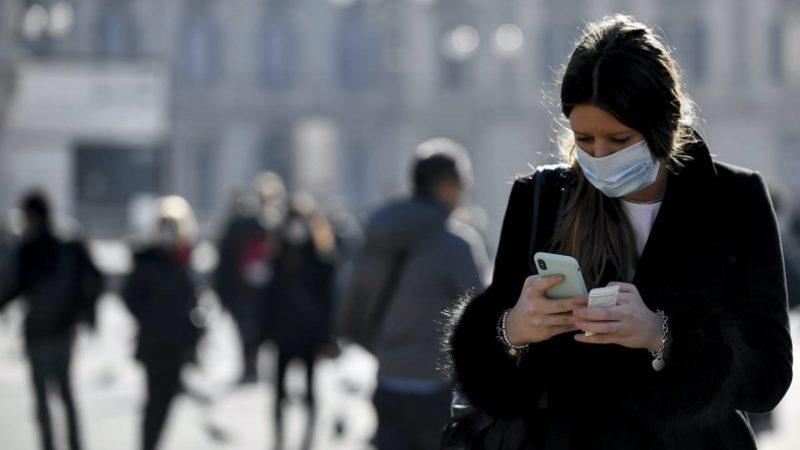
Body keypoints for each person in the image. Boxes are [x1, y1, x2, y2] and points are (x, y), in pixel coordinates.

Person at [446, 14, 792, 450]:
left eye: (620, 139)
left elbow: (768, 379)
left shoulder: (735, 199)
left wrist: (662, 335)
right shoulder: (541, 198)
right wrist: (511, 329)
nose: (599, 156)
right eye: (584, 139)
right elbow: (489, 379)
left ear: (662, 126)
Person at [338, 138, 490, 450]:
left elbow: (352, 304)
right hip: (435, 387)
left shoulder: (378, 233)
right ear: (446, 187)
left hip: (387, 380)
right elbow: (482, 318)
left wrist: (383, 348)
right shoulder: (455, 245)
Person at [0, 191, 103, 450]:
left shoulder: (29, 249)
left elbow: (13, 287)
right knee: (65, 393)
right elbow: (95, 279)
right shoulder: (68, 245)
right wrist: (85, 312)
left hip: (39, 332)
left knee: (43, 399)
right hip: (64, 330)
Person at [123, 196, 202, 450]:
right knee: (154, 399)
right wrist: (151, 317)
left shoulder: (183, 260)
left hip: (177, 343)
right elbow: (131, 297)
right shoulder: (148, 261)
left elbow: (190, 298)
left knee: (167, 399)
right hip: (154, 342)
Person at [265, 194, 337, 450]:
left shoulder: (321, 260)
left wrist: (327, 334)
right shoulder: (277, 258)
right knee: (278, 392)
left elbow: (329, 301)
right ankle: (279, 440)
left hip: (309, 335)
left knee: (310, 390)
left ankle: (308, 440)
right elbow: (268, 298)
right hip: (283, 334)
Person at [214, 173, 285, 383]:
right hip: (244, 290)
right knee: (248, 331)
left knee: (254, 331)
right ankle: (250, 367)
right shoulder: (244, 225)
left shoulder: (278, 225)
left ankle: (252, 367)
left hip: (260, 292)